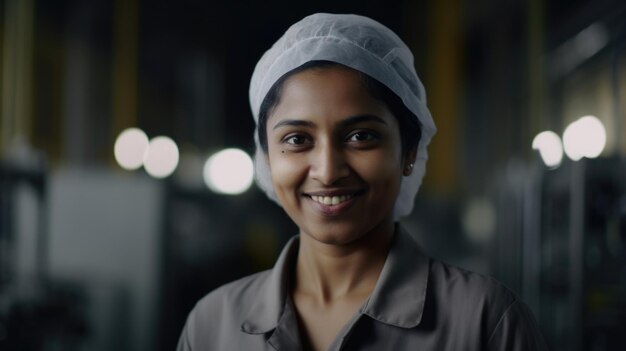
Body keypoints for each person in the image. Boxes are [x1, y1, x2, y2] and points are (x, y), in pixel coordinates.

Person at [177, 13, 548, 351]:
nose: (327, 170)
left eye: (360, 136)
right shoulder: (212, 325)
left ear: (409, 152)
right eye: (297, 139)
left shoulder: (487, 322)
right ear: (266, 158)